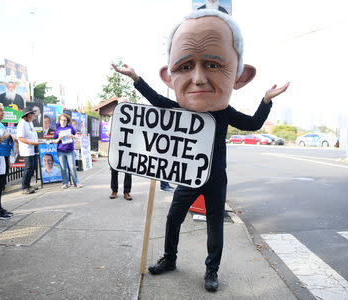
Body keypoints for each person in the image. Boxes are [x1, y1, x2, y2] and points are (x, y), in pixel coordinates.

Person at [113, 9, 289, 292]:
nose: (198, 79)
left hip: (216, 176)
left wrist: (266, 100)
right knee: (173, 218)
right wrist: (136, 78)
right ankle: (169, 259)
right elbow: (158, 101)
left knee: (214, 227)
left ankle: (211, 271)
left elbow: (254, 124)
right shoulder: (183, 108)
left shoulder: (224, 111)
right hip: (187, 174)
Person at [52, 113, 82, 189]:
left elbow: (77, 137)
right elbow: (54, 141)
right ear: (59, 121)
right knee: (63, 168)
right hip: (61, 151)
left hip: (70, 150)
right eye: (62, 120)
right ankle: (65, 183)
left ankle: (76, 182)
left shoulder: (71, 127)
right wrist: (59, 139)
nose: (63, 121)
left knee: (72, 167)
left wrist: (73, 136)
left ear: (67, 121)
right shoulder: (57, 130)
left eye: (65, 120)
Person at [107, 116, 133, 201]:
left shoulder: (132, 116)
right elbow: (108, 133)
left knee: (128, 170)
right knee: (114, 170)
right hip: (116, 147)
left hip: (128, 147)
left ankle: (127, 192)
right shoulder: (114, 116)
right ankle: (114, 191)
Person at [17, 107, 40, 194]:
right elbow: (20, 137)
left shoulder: (30, 123)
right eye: (33, 114)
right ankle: (24, 187)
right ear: (28, 115)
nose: (34, 115)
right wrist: (31, 143)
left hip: (33, 149)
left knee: (33, 168)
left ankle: (28, 185)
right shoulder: (22, 123)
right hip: (27, 150)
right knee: (28, 168)